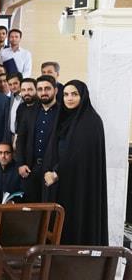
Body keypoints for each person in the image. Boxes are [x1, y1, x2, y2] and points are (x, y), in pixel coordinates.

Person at [42, 80, 108, 246]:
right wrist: (48, 170)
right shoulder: (63, 118)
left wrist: (57, 173)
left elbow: (80, 155)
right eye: (66, 94)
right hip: (58, 184)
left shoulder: (91, 121)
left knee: (76, 222)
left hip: (80, 185)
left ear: (83, 96)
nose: (69, 98)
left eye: (74, 94)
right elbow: (53, 148)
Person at [15, 75, 59, 203]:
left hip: (51, 171)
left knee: (50, 208)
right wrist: (21, 164)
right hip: (30, 168)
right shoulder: (28, 112)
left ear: (55, 90)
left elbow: (66, 146)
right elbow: (21, 140)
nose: (43, 92)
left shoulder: (62, 113)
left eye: (47, 88)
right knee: (31, 208)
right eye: (40, 89)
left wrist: (56, 171)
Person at [7, 72, 23, 137]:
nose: (13, 87)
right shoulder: (12, 97)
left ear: (21, 82)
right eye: (10, 84)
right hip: (11, 136)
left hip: (22, 137)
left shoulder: (26, 98)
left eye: (15, 83)